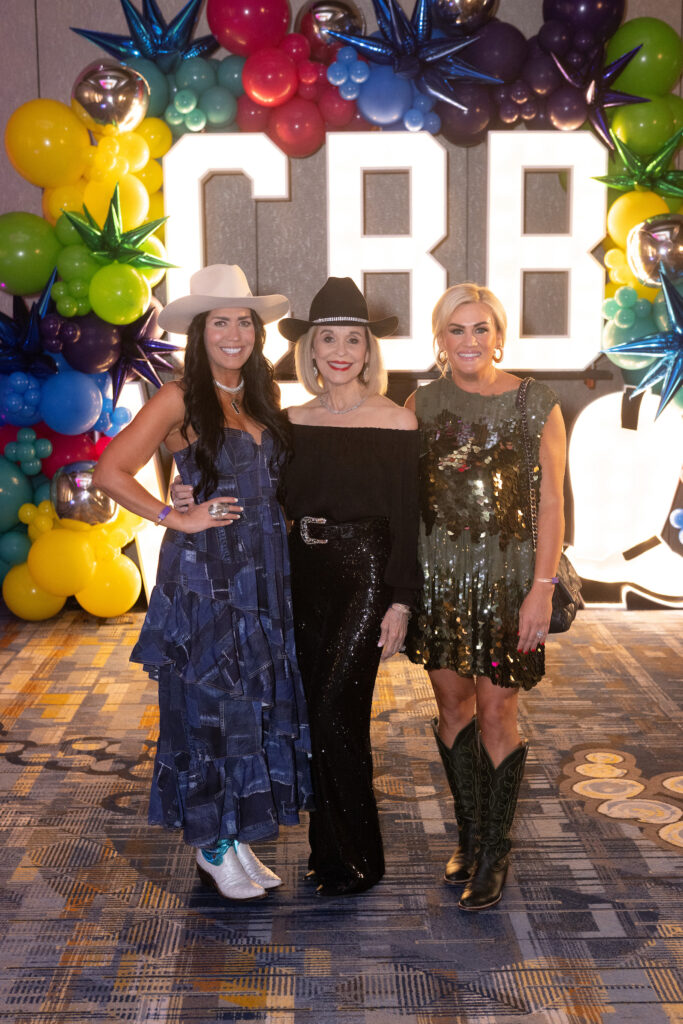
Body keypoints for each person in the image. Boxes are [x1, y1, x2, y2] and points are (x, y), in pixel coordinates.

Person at [92, 265, 313, 902]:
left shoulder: (258, 393)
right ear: (199, 331)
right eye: (221, 321)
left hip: (263, 574)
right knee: (209, 704)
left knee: (253, 701)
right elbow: (109, 471)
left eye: (244, 321)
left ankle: (235, 832)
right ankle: (209, 839)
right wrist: (173, 512)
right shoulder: (178, 397)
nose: (235, 332)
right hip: (209, 578)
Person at [405, 283, 566, 911]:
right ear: (440, 339)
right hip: (440, 580)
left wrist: (541, 590)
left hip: (509, 583)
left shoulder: (535, 403)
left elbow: (552, 501)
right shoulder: (422, 402)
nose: (469, 341)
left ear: (500, 335)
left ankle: (495, 850)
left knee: (498, 712)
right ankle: (470, 833)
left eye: (481, 329)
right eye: (456, 330)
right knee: (452, 709)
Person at [278, 277, 422, 897]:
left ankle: (359, 855)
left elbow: (408, 518)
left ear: (369, 351)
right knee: (317, 713)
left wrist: (400, 600)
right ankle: (329, 854)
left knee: (338, 709)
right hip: (301, 575)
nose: (340, 350)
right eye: (327, 338)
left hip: (365, 575)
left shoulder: (395, 421)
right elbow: (266, 501)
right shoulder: (290, 422)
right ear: (310, 350)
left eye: (353, 339)